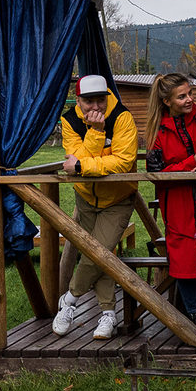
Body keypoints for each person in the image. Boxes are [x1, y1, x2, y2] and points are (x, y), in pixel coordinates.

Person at [52, 74, 138, 341]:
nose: (96, 107)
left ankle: (69, 299)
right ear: (78, 100)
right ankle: (108, 313)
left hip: (118, 199)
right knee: (102, 256)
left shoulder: (122, 117)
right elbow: (81, 159)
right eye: (89, 102)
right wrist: (96, 133)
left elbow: (123, 163)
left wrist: (80, 166)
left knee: (98, 253)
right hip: (85, 199)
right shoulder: (69, 120)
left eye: (100, 99)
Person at [143, 72, 196, 338]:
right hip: (178, 204)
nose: (190, 99)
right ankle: (195, 317)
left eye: (190, 93)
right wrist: (192, 162)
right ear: (166, 101)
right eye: (182, 96)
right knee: (186, 260)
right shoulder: (157, 132)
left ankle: (191, 311)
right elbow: (157, 174)